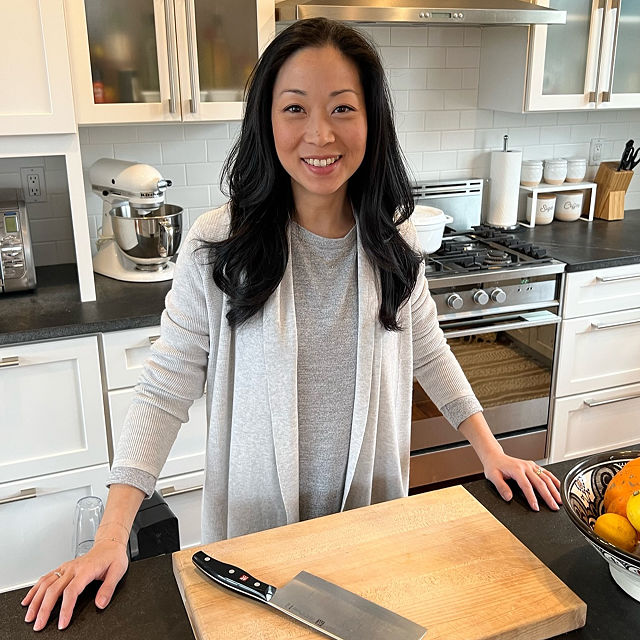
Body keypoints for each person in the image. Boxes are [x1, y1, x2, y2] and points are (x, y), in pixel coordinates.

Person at [22, 17, 562, 632]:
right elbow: (166, 388)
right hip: (257, 552)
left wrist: (492, 453)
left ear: (372, 121)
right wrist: (111, 535)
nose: (320, 133)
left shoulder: (396, 241)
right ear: (266, 120)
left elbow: (428, 351)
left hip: (370, 527)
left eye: (342, 108)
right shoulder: (219, 245)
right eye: (295, 108)